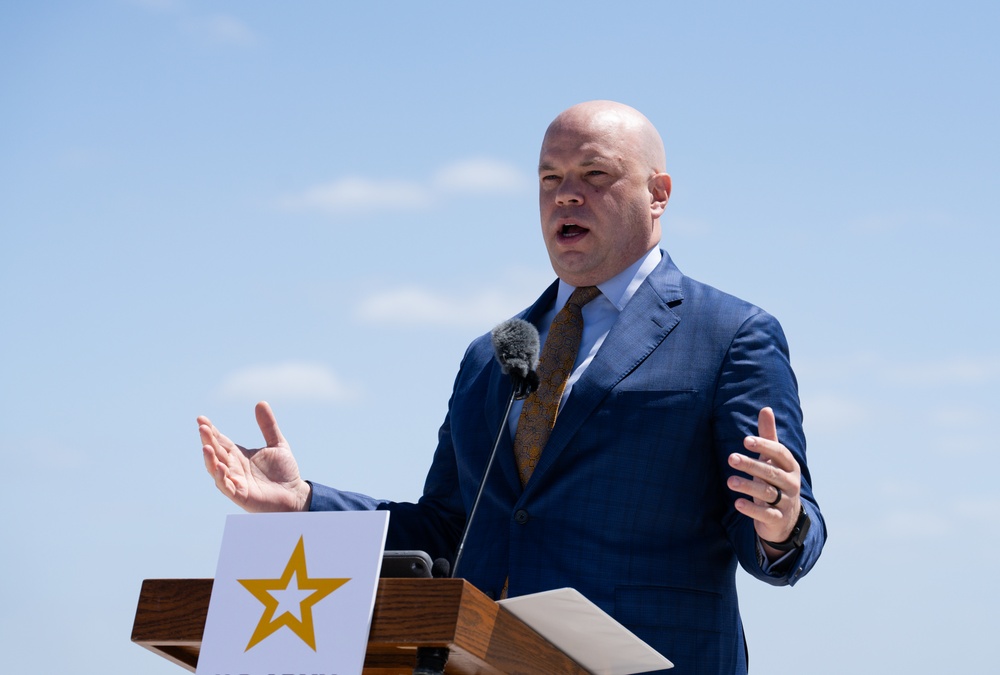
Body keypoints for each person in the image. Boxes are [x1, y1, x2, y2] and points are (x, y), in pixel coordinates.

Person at [200, 100, 825, 674]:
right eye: (550, 179)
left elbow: (784, 532)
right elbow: (449, 529)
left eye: (594, 175)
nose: (566, 196)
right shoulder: (493, 352)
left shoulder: (730, 334)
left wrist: (782, 523)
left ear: (658, 194)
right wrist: (305, 502)